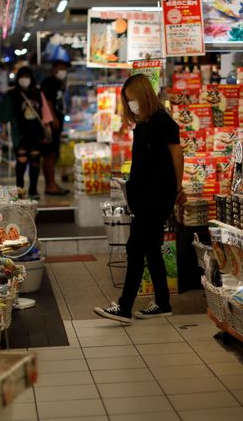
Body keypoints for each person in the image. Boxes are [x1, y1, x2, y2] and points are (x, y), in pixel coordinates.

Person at [94, 74, 187, 324]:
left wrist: (178, 188)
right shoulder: (144, 124)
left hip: (155, 197)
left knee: (135, 248)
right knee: (151, 250)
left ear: (144, 95)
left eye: (132, 99)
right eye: (127, 100)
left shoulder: (162, 122)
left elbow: (177, 155)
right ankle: (163, 303)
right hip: (146, 195)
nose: (131, 104)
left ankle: (124, 307)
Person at [0, 66, 55, 198]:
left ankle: (33, 190)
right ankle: (20, 189)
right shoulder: (12, 94)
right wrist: (4, 131)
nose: (25, 79)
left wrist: (48, 127)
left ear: (31, 78)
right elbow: (6, 113)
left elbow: (44, 111)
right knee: (21, 161)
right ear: (18, 79)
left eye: (27, 76)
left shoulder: (38, 93)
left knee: (35, 161)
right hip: (20, 133)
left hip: (36, 133)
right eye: (22, 77)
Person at [40, 60, 70, 195]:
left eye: (65, 68)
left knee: (52, 155)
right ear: (54, 68)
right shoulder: (49, 82)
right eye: (61, 67)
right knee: (49, 155)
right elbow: (47, 101)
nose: (63, 70)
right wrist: (53, 118)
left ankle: (51, 183)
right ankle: (50, 185)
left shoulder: (60, 83)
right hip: (51, 125)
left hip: (57, 124)